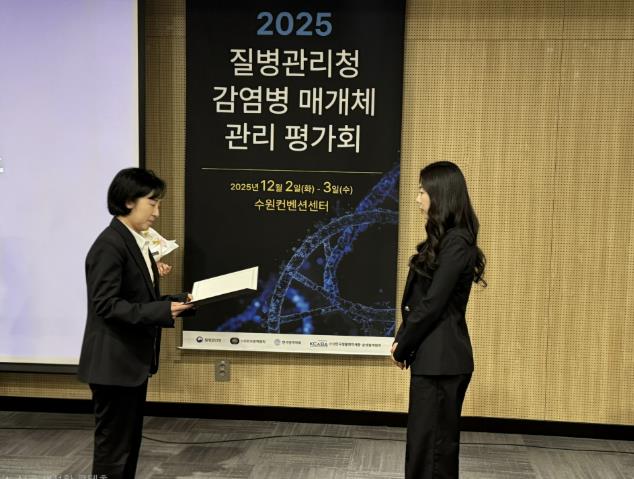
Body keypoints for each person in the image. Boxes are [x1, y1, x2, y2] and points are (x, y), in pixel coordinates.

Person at [78, 167, 193, 479]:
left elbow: (137, 298)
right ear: (129, 201)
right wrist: (162, 311)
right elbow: (107, 305)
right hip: (113, 364)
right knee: (114, 449)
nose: (157, 212)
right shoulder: (110, 244)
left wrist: (176, 302)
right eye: (152, 203)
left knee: (126, 445)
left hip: (128, 363)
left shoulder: (131, 240)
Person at [391, 161, 486, 479]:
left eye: (422, 191)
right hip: (433, 360)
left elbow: (433, 304)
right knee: (425, 449)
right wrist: (405, 341)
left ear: (440, 194)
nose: (417, 198)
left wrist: (403, 344)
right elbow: (423, 303)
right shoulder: (446, 241)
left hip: (443, 361)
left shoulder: (457, 243)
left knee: (433, 453)